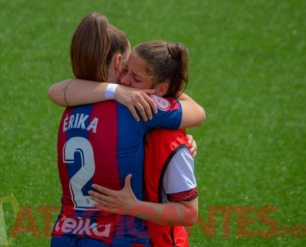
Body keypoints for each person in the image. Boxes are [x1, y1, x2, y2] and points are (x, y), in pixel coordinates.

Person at [49, 13, 205, 247]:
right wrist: (176, 139)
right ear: (118, 62)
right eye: (127, 68)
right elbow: (198, 113)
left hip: (66, 235)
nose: (128, 80)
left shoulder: (70, 107)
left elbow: (54, 90)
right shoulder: (140, 106)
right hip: (117, 238)